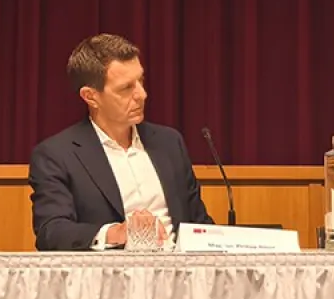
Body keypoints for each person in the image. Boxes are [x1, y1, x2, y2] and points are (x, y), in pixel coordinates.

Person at [28, 33, 212, 250]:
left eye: (141, 81)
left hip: (180, 274)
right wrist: (115, 233)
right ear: (90, 96)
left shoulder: (169, 142)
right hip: (110, 277)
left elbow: (199, 224)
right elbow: (52, 232)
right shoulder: (57, 154)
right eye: (126, 88)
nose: (142, 94)